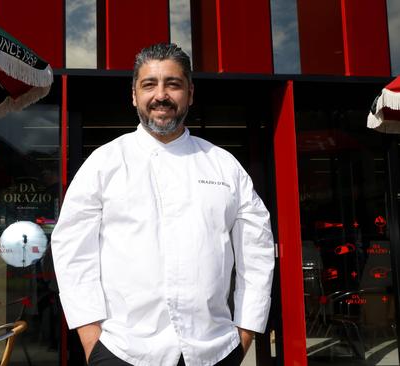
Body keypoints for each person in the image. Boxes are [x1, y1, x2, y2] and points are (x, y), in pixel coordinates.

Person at [50, 43, 275, 366]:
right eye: (149, 84)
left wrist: (246, 333)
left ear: (190, 92)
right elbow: (72, 251)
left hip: (214, 349)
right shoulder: (105, 163)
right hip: (124, 350)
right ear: (133, 95)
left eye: (173, 84)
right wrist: (91, 340)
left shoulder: (223, 165)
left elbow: (257, 252)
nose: (161, 95)